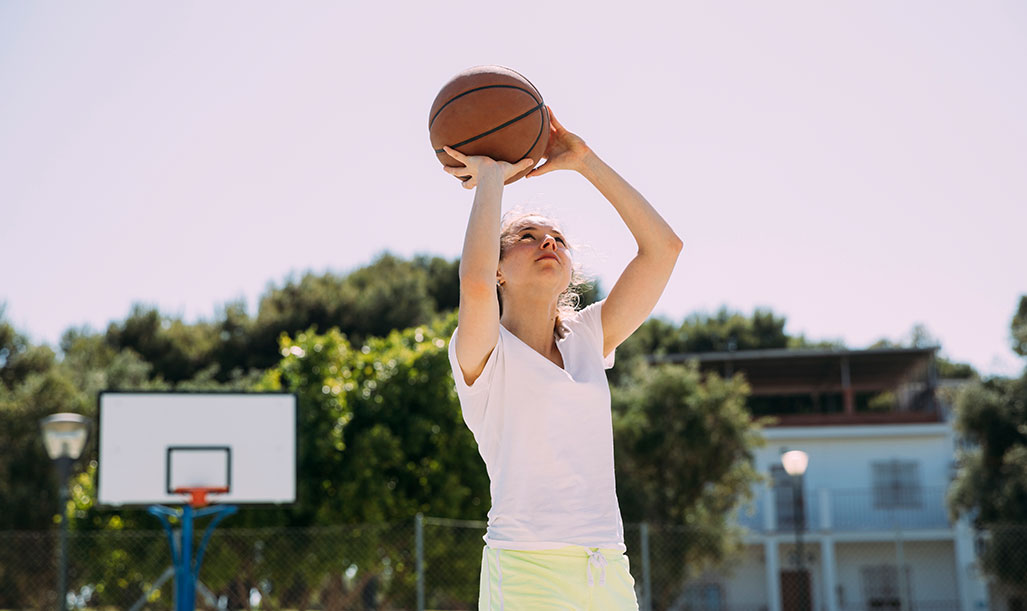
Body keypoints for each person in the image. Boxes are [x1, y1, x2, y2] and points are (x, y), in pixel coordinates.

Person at [444, 109, 682, 610]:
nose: (547, 242)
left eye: (556, 239)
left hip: (605, 566)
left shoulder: (588, 337)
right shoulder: (484, 352)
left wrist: (584, 161)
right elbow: (473, 280)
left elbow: (664, 248)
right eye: (525, 237)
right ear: (501, 270)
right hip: (526, 566)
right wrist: (491, 179)